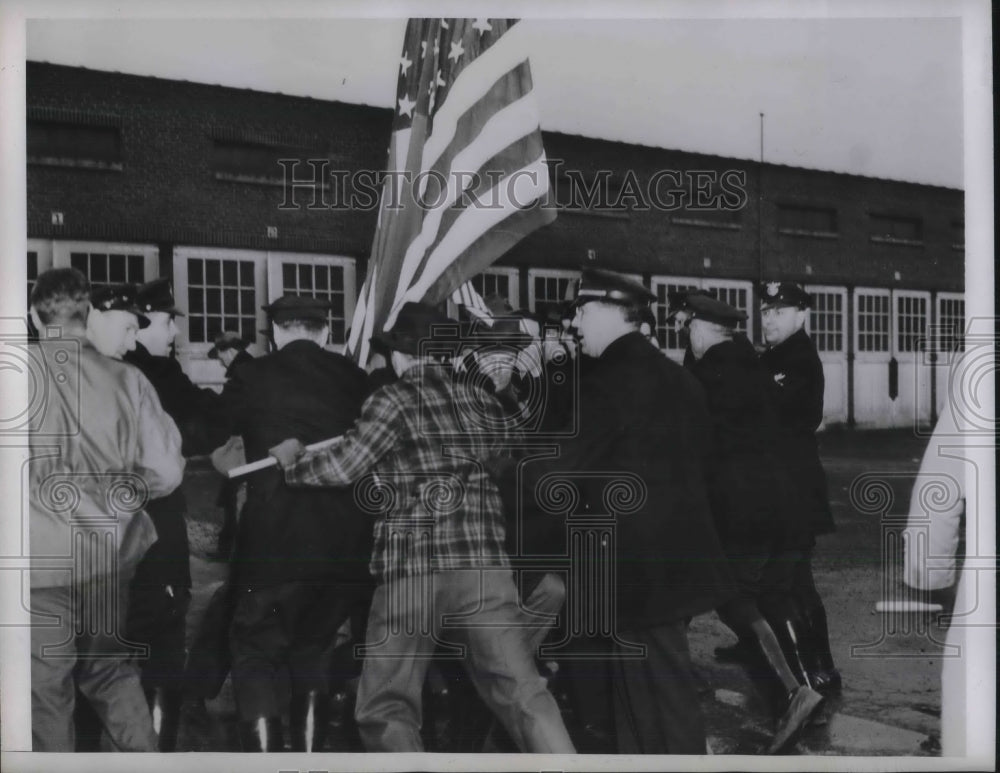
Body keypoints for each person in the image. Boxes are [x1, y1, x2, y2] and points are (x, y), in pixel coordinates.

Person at [269, 301, 576, 754]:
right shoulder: (483, 401)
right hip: (484, 572)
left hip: (412, 573)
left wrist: (292, 463)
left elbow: (345, 465)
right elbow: (513, 456)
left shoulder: (391, 398)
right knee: (525, 694)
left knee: (388, 704)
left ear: (399, 356)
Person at [493, 268, 735, 754]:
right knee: (649, 693)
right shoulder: (676, 375)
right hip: (673, 560)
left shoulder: (609, 382)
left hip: (635, 568)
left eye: (582, 311)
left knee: (655, 700)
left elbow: (561, 472)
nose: (576, 323)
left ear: (609, 312)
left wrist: (495, 469)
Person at [28, 269, 185, 751]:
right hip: (107, 558)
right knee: (110, 673)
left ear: (35, 317)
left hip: (38, 564)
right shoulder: (129, 379)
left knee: (44, 691)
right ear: (86, 315)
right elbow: (166, 470)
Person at [222, 295, 373, 752]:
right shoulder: (356, 379)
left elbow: (213, 429)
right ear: (325, 333)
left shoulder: (251, 375)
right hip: (343, 544)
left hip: (274, 544)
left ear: (277, 334)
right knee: (315, 650)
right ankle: (308, 759)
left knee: (256, 652)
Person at [684, 292, 824, 753]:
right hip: (778, 504)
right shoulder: (753, 366)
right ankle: (797, 687)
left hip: (743, 509)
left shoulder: (714, 374)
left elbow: (701, 441)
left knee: (736, 593)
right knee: (754, 591)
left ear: (701, 331)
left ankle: (794, 691)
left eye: (688, 330)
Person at [120, 277, 230, 750]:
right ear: (140, 322)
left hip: (105, 530)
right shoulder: (154, 374)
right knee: (164, 633)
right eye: (167, 322)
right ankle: (156, 751)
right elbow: (200, 425)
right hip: (155, 522)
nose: (173, 334)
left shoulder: (126, 368)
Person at [757, 281, 841, 694]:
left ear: (802, 315)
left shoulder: (799, 360)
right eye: (766, 311)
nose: (769, 318)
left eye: (779, 311)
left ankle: (808, 674)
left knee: (781, 583)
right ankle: (820, 668)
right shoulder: (775, 357)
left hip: (793, 490)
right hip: (783, 490)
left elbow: (782, 420)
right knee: (795, 581)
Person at [206, 329, 255, 560]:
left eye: (220, 355)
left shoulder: (241, 372)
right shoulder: (247, 368)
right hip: (245, 441)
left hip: (242, 444)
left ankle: (231, 551)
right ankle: (228, 548)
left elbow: (229, 409)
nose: (220, 361)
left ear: (231, 351)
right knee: (231, 495)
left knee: (235, 495)